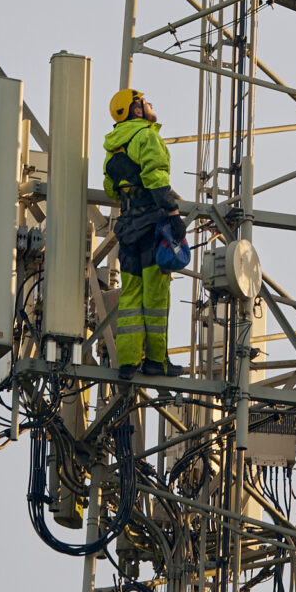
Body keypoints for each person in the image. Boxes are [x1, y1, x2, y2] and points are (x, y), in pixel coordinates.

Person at [103, 87, 185, 378]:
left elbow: (110, 189)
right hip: (151, 226)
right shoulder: (147, 135)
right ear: (136, 110)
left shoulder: (114, 147)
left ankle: (127, 363)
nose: (150, 105)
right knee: (155, 298)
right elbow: (156, 177)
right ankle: (156, 361)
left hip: (127, 230)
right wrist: (173, 214)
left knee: (130, 298)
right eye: (145, 102)